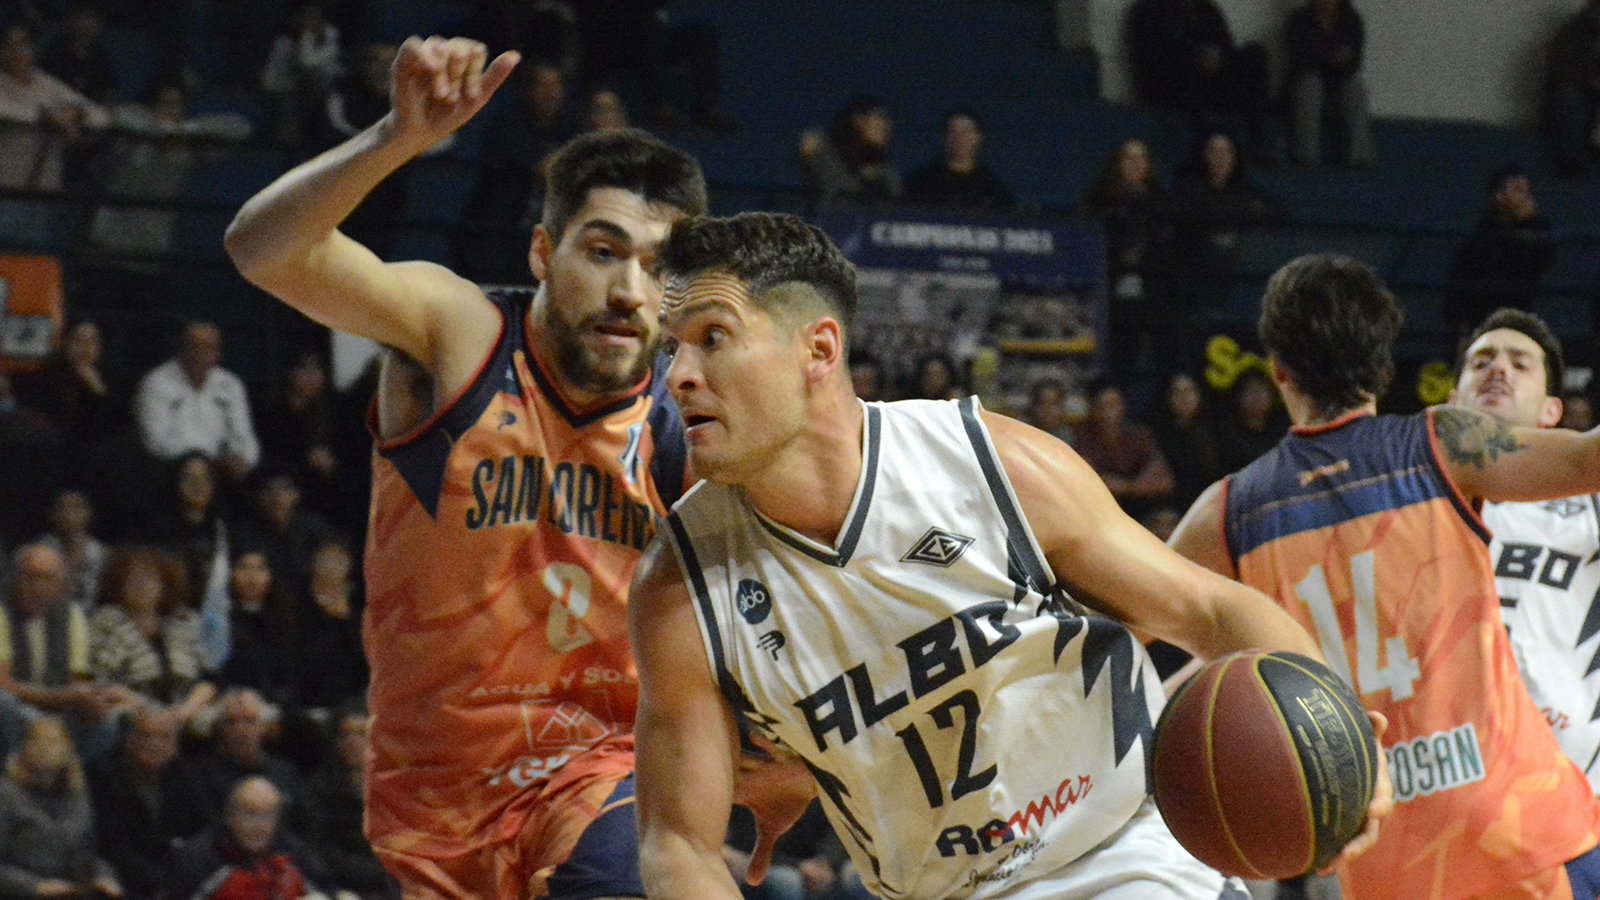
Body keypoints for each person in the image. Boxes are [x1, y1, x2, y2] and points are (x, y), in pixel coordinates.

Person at [629, 211, 1389, 900]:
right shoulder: (678, 587)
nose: (679, 375)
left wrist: (1341, 735)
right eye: (672, 349)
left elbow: (1211, 609)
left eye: (713, 338)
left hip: (1120, 859)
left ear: (819, 350)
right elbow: (679, 844)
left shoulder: (988, 464)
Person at [223, 35, 728, 900]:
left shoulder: (691, 416)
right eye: (603, 252)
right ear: (543, 254)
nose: (630, 292)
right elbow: (261, 250)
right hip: (434, 800)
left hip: (603, 778)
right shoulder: (460, 335)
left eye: (660, 267)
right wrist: (394, 139)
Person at [1167, 254, 1600, 900]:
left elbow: (1110, 636)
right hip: (1524, 832)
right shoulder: (1443, 445)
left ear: (1278, 370)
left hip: (1388, 866)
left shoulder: (1227, 512)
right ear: (1383, 368)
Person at [1448, 308, 1600, 795]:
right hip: (1447, 780)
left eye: (1520, 363)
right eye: (1482, 360)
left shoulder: (1591, 500)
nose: (1498, 369)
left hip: (1575, 784)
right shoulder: (1405, 505)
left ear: (1551, 412)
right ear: (1452, 402)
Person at [0, 543, 132, 762]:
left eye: (49, 579)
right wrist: (61, 699)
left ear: (61, 584)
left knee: (109, 718)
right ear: (15, 578)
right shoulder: (2, 611)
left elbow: (75, 682)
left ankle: (67, 775)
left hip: (59, 712)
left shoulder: (72, 615)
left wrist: (91, 699)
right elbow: (3, 683)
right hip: (17, 713)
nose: (40, 587)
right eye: (32, 577)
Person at [1076, 138, 1175, 382]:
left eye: (1141, 158)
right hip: (1105, 292)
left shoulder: (1162, 203)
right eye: (1128, 157)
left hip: (1150, 294)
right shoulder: (1097, 200)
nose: (1135, 164)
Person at [89, 545, 216, 725]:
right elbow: (99, 683)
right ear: (120, 586)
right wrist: (149, 710)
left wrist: (187, 710)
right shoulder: (106, 622)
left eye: (148, 579)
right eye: (133, 580)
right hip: (131, 714)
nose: (141, 586)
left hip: (185, 713)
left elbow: (208, 682)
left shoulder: (185, 621)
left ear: (164, 585)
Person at [0, 715, 123, 900]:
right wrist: (35, 887)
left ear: (68, 750)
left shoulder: (76, 795)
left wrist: (103, 876)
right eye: (36, 741)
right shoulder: (6, 795)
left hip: (70, 890)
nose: (44, 749)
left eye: (54, 742)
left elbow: (88, 854)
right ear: (23, 747)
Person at [133, 321, 261, 484]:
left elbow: (244, 435)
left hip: (224, 475)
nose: (200, 355)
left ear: (218, 353)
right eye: (195, 347)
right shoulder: (155, 384)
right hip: (172, 473)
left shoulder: (230, 384)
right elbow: (156, 443)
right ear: (182, 350)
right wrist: (208, 462)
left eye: (208, 348)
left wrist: (244, 459)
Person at [1441, 166, 1556, 345]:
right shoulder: (1480, 240)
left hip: (1522, 322)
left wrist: (1531, 223)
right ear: (1499, 197)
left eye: (1527, 191)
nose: (1526, 198)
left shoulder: (1539, 233)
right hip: (1482, 322)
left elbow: (1541, 265)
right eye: (1517, 191)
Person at [167, 776, 323, 900]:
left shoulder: (289, 852)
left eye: (268, 815)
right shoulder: (199, 858)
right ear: (231, 816)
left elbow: (324, 890)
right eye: (250, 813)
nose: (259, 826)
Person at [86, 705, 186, 900]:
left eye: (163, 737)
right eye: (145, 735)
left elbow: (197, 831)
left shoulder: (182, 775)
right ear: (128, 739)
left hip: (176, 876)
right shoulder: (103, 777)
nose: (154, 744)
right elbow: (110, 845)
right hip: (123, 878)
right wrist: (159, 880)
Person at [303, 702, 399, 900]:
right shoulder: (319, 790)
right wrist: (378, 871)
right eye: (346, 735)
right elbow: (322, 850)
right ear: (335, 741)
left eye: (361, 734)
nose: (354, 742)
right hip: (350, 886)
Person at [0, 21, 108, 190]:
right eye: (9, 46)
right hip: (6, 181)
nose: (16, 53)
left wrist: (77, 113)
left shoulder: (47, 84)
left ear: (34, 49)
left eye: (22, 46)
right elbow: (6, 110)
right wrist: (46, 115)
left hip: (44, 184)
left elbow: (101, 116)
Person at [1283, 0, 1374, 169]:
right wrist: (1331, 59)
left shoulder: (1351, 21)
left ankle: (1359, 158)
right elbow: (1300, 60)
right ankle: (1306, 156)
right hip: (1308, 84)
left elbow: (1354, 61)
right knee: (1310, 85)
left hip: (1339, 85)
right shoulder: (1299, 20)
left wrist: (1337, 60)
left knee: (1355, 88)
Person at [798, 96, 902, 205]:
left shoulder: (883, 172)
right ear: (859, 121)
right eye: (880, 119)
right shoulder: (819, 147)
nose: (887, 126)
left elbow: (898, 204)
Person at [902, 109, 1013, 210]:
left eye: (966, 132)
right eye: (953, 132)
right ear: (944, 138)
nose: (959, 139)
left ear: (978, 138)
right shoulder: (921, 184)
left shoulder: (993, 191)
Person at [1543, 0, 1600, 178]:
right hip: (1581, 97)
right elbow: (1564, 74)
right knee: (1568, 99)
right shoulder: (1572, 33)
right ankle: (1574, 169)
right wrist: (1594, 83)